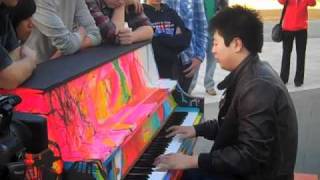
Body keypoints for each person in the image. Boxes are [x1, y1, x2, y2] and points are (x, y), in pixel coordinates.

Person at [154, 6, 298, 180]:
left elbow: (249, 157)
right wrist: (195, 129)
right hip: (254, 171)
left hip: (261, 175)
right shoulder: (253, 71)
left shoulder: (257, 87)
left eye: (215, 43)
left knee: (184, 175)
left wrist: (194, 160)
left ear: (236, 44)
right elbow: (231, 123)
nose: (213, 50)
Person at [26, 0, 102, 62]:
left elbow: (95, 34)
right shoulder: (39, 2)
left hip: (61, 64)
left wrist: (64, 50)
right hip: (36, 70)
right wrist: (81, 34)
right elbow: (67, 45)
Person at [143, 0, 192, 91]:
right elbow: (148, 46)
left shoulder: (171, 13)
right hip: (150, 73)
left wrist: (157, 37)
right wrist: (172, 40)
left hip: (172, 72)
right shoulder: (142, 14)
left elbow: (185, 40)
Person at [164, 0, 208, 94]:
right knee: (163, 105)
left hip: (186, 61)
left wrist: (199, 57)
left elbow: (202, 27)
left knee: (183, 104)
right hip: (162, 61)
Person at [0, 0, 37, 89]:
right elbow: (9, 78)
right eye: (25, 18)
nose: (32, 24)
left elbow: (16, 53)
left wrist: (16, 69)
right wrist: (30, 59)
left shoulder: (3, 12)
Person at [279, 0, 316, 87]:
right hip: (287, 29)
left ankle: (299, 80)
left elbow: (313, 3)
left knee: (301, 55)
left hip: (301, 29)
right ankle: (283, 78)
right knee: (286, 54)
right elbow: (281, 1)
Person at [86, 0, 153, 45]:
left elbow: (150, 30)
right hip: (91, 62)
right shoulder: (91, 2)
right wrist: (121, 5)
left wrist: (132, 36)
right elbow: (115, 36)